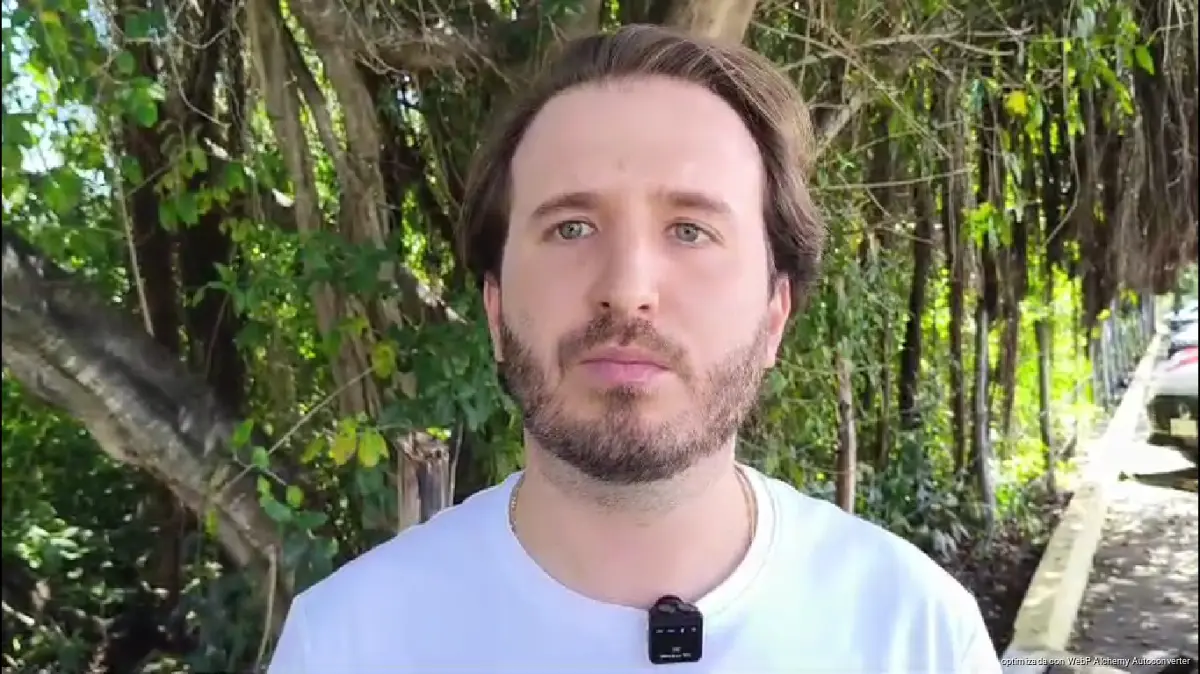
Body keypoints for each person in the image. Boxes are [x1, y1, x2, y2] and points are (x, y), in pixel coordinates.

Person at [266, 23, 1002, 673]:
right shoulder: (347, 645)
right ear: (495, 308)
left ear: (775, 314)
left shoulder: (916, 635)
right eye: (571, 228)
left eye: (691, 230)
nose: (626, 289)